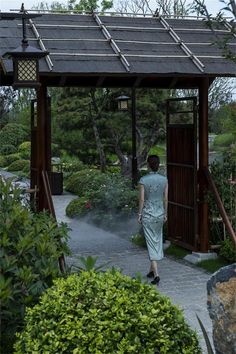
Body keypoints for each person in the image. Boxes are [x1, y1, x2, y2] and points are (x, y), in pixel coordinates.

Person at [138, 155, 168, 285]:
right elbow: (165, 199)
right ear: (158, 164)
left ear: (148, 165)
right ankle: (151, 271)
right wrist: (166, 213)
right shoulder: (164, 179)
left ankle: (156, 274)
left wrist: (139, 214)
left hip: (148, 215)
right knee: (156, 239)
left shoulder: (143, 180)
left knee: (150, 243)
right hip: (160, 214)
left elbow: (142, 200)